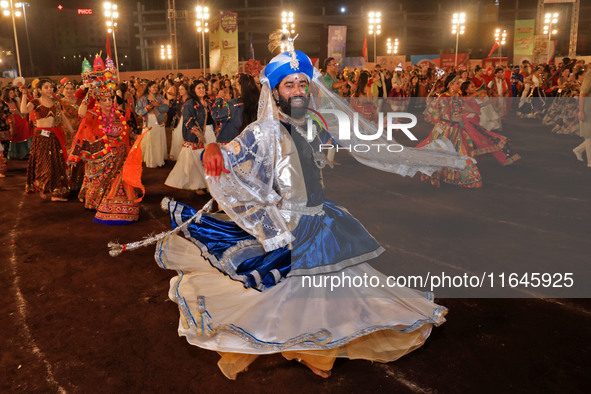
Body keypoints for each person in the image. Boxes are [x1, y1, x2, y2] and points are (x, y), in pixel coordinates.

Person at [134, 44, 468, 380]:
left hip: (322, 218)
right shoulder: (263, 130)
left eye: (302, 83)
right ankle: (310, 349)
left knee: (331, 288)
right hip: (290, 224)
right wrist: (210, 146)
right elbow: (229, 149)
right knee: (295, 293)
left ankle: (314, 348)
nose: (297, 91)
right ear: (275, 91)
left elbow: (370, 145)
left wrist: (433, 157)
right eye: (289, 85)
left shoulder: (317, 122)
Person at [69, 63, 144, 224]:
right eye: (105, 100)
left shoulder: (118, 115)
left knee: (117, 181)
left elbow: (125, 133)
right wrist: (90, 92)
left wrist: (135, 138)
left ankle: (113, 202)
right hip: (100, 155)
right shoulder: (93, 115)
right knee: (97, 182)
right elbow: (81, 112)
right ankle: (96, 202)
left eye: (110, 99)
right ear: (99, 101)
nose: (109, 102)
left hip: (119, 155)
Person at [416, 75, 482, 188]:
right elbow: (436, 113)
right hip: (445, 130)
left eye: (460, 84)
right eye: (457, 83)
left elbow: (464, 106)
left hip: (457, 130)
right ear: (450, 84)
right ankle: (434, 176)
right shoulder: (443, 97)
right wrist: (441, 120)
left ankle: (465, 177)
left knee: (461, 153)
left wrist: (475, 110)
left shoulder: (458, 96)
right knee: (440, 154)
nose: (459, 86)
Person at [21, 79, 74, 202]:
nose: (49, 89)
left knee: (57, 164)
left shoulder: (56, 102)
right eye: (46, 87)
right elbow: (24, 110)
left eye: (50, 87)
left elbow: (63, 116)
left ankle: (56, 192)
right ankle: (44, 187)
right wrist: (24, 94)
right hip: (41, 137)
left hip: (54, 135)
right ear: (39, 90)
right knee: (44, 164)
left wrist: (71, 130)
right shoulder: (35, 102)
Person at [164, 80, 211, 193]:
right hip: (192, 136)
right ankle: (195, 185)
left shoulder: (205, 102)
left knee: (200, 161)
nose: (202, 90)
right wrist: (198, 135)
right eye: (199, 88)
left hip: (204, 135)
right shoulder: (190, 103)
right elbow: (188, 121)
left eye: (203, 88)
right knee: (193, 163)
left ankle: (202, 184)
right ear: (194, 90)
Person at [211, 73, 260, 143]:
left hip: (231, 142)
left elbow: (215, 115)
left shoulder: (234, 104)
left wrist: (219, 99)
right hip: (251, 141)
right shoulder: (258, 101)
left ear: (240, 86)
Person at [136, 81, 169, 168]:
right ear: (149, 88)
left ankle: (158, 159)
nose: (155, 89)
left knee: (157, 139)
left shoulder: (160, 97)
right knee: (150, 139)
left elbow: (166, 109)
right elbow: (137, 111)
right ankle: (150, 160)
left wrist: (158, 105)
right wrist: (146, 109)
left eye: (156, 87)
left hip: (158, 121)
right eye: (153, 87)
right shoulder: (142, 99)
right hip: (148, 121)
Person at [574, 68, 591, 167]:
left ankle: (578, 150)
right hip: (588, 108)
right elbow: (583, 93)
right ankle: (590, 162)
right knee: (589, 136)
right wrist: (581, 111)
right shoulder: (589, 75)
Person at [168, 83, 189, 160]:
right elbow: (172, 111)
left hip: (187, 121)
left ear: (187, 90)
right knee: (177, 137)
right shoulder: (177, 100)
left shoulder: (190, 100)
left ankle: (185, 157)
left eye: (182, 89)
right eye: (179, 89)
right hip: (178, 122)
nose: (180, 91)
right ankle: (178, 156)